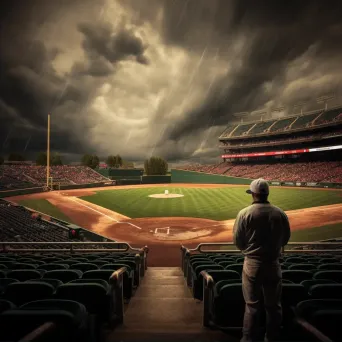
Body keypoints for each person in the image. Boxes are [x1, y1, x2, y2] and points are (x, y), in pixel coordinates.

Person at [233, 178, 291, 342]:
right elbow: (285, 239)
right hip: (273, 263)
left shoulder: (245, 213)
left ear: (253, 194)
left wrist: (249, 249)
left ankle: (248, 338)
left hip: (252, 263)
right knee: (274, 306)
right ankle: (272, 338)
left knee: (252, 306)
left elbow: (238, 241)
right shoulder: (280, 213)